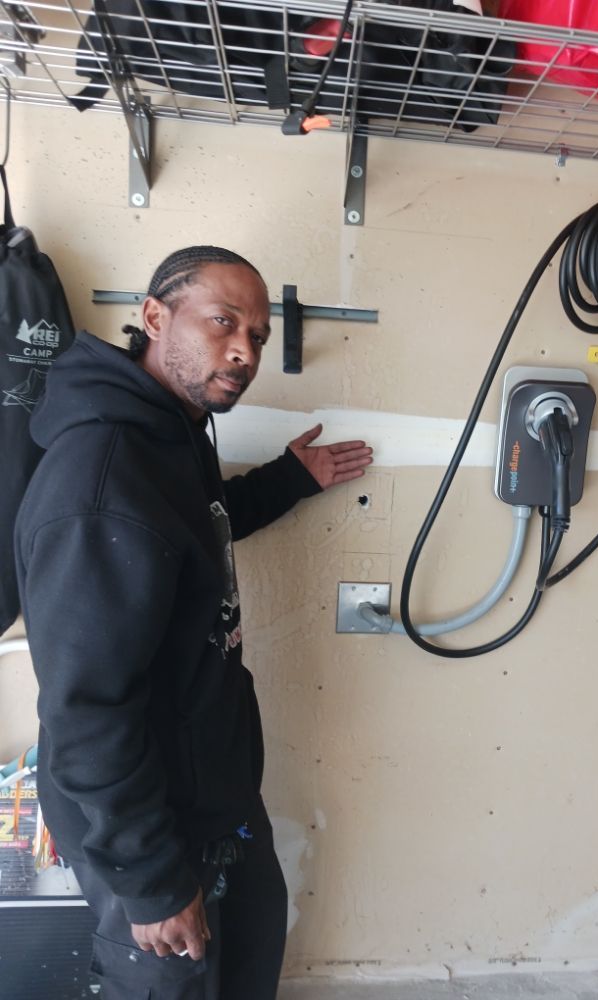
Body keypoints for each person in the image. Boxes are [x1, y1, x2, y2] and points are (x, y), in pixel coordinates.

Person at [14, 245, 373, 1000]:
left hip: (209, 795)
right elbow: (86, 708)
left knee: (244, 962)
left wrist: (285, 482)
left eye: (259, 335)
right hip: (151, 819)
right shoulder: (104, 479)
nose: (244, 350)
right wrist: (148, 880)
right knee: (170, 985)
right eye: (223, 322)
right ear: (154, 317)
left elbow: (191, 533)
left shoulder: (169, 434)